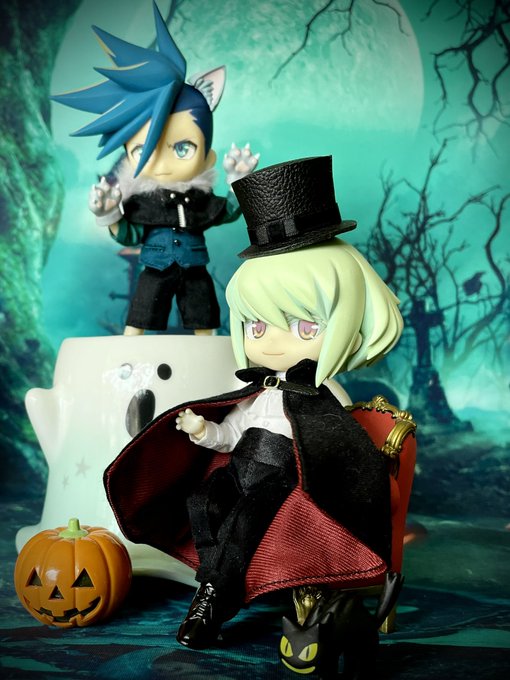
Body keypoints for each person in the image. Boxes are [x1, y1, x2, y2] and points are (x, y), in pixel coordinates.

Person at [104, 156, 404, 650]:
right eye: (257, 325)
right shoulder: (257, 390)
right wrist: (204, 431)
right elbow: (232, 433)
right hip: (239, 466)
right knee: (202, 503)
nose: (275, 341)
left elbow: (339, 454)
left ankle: (212, 601)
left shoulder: (323, 397)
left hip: (282, 479)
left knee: (248, 518)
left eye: (305, 326)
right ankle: (220, 574)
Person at [52, 1, 258, 335]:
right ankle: (131, 345)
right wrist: (108, 213)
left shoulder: (200, 200)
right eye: (143, 150)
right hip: (154, 267)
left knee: (203, 311)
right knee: (142, 312)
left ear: (208, 158)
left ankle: (205, 346)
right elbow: (129, 233)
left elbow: (228, 212)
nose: (161, 161)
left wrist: (239, 180)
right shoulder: (142, 201)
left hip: (194, 266)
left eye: (182, 148)